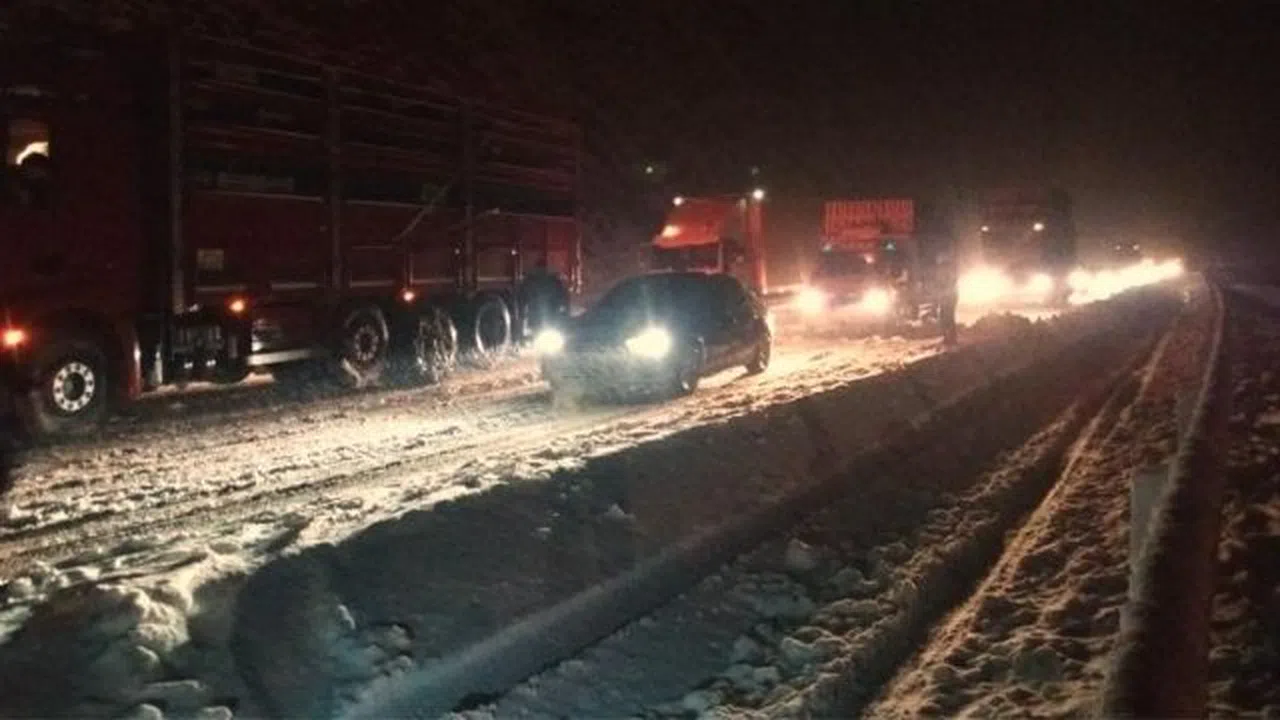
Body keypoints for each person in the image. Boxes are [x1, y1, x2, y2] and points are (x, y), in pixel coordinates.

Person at [519, 261, 570, 338]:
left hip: (537, 314)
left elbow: (522, 298)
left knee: (538, 331)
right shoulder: (554, 280)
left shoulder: (530, 281)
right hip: (550, 314)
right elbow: (563, 297)